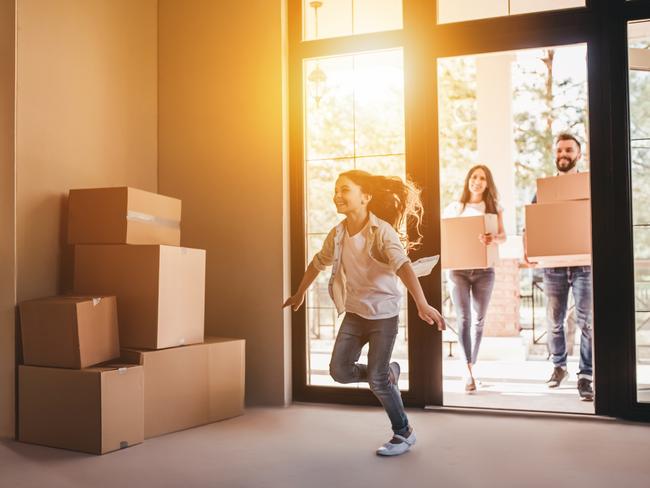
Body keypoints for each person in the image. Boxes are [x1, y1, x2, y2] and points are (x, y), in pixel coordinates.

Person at [283, 169, 446, 457]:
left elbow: (404, 266)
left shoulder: (382, 231)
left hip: (384, 315)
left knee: (377, 380)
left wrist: (421, 303)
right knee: (339, 371)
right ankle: (384, 374)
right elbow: (317, 262)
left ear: (365, 196)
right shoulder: (337, 234)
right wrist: (299, 294)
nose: (338, 195)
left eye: (345, 189)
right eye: (336, 189)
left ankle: (403, 432)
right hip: (356, 314)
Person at [525, 133, 594, 401]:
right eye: (559, 150)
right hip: (553, 266)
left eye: (568, 150)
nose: (563, 154)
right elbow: (531, 222)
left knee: (587, 322)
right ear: (555, 155)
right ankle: (559, 366)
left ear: (578, 154)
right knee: (554, 321)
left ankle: (586, 375)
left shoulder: (587, 185)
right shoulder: (545, 189)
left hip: (584, 264)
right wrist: (529, 251)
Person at [443, 165, 506, 392]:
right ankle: (466, 369)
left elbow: (503, 236)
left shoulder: (494, 208)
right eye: (474, 177)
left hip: (484, 271)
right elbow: (446, 235)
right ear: (468, 180)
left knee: (479, 320)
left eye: (482, 178)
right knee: (464, 318)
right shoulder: (454, 208)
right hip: (458, 271)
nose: (477, 181)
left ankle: (471, 365)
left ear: (487, 183)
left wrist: (493, 238)